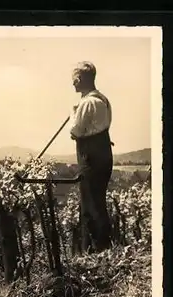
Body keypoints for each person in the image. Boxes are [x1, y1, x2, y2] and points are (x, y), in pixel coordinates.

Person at [70, 61, 114, 252]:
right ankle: (103, 249)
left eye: (74, 79)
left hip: (90, 157)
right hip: (104, 154)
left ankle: (96, 251)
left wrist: (74, 113)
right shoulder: (103, 100)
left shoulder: (87, 103)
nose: (72, 84)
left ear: (80, 79)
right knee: (98, 203)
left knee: (90, 206)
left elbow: (76, 132)